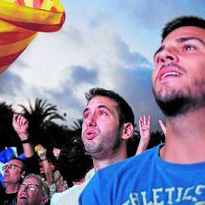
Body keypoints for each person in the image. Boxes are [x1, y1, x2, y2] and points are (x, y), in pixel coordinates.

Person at [79, 15, 205, 204]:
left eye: (188, 47)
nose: (163, 56)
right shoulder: (105, 187)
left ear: (127, 130)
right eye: (159, 55)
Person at [52, 88, 151, 205]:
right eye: (86, 115)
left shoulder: (156, 193)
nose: (89, 121)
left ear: (126, 130)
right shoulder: (67, 201)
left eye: (102, 113)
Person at [3, 114, 40, 204]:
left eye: (12, 167)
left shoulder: (25, 197)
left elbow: (32, 165)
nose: (6, 169)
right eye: (5, 167)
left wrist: (23, 135)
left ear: (23, 174)